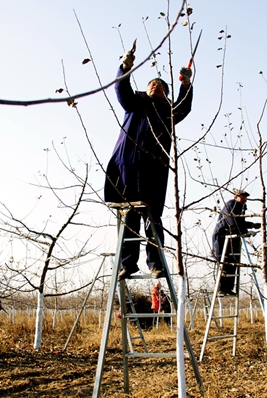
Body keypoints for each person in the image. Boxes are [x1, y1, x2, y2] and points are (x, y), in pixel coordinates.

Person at [104, 42, 194, 280]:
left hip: (152, 171)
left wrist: (185, 84)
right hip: (126, 169)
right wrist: (125, 66)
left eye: (160, 85)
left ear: (166, 92)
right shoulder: (134, 103)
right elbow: (121, 89)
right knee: (128, 219)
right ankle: (127, 264)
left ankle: (156, 264)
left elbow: (184, 107)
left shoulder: (168, 111)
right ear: (145, 89)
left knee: (152, 218)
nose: (155, 86)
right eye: (152, 84)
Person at [211, 189, 260, 296]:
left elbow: (240, 222)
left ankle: (228, 288)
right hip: (222, 236)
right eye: (242, 196)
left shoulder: (241, 208)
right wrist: (246, 232)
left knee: (233, 262)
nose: (245, 199)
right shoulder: (231, 205)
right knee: (224, 261)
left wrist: (252, 225)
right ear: (236, 196)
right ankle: (221, 288)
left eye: (245, 197)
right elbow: (232, 223)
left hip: (232, 237)